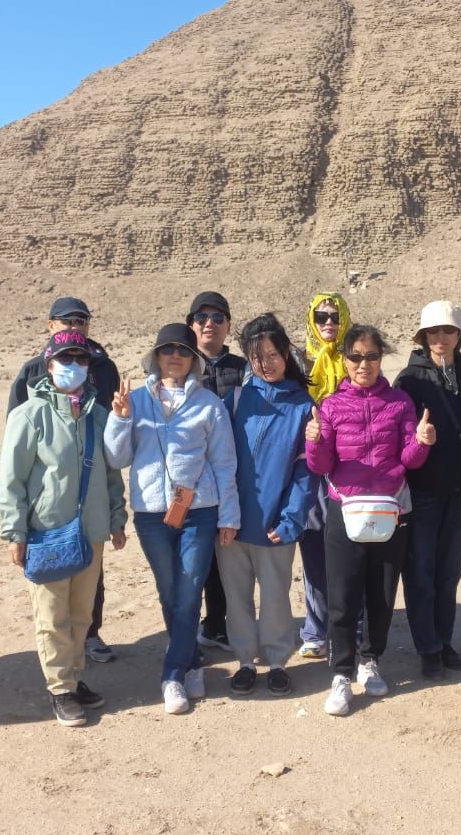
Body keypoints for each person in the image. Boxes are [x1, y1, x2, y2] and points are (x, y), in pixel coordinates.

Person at [105, 323, 240, 716]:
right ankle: (192, 661)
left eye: (183, 350)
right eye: (168, 350)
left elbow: (224, 463)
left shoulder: (209, 404)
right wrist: (120, 418)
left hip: (199, 510)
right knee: (169, 591)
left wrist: (229, 515)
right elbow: (116, 457)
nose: (175, 357)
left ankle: (173, 674)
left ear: (193, 359)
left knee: (190, 589)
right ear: (156, 356)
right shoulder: (134, 401)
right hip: (151, 513)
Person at [0, 330, 127, 727]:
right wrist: (15, 532)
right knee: (52, 614)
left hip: (91, 530)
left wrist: (117, 520)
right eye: (65, 358)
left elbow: (111, 475)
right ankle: (60, 689)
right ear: (49, 365)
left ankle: (73, 677)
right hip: (47, 531)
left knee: (81, 614)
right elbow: (12, 480)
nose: (73, 366)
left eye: (81, 359)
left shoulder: (98, 415)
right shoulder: (29, 416)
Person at [306, 325, 433, 715]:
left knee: (381, 594)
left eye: (372, 356)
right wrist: (314, 440)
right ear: (344, 359)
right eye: (356, 357)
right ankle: (341, 675)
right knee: (342, 597)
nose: (364, 364)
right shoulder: (329, 406)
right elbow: (321, 466)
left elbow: (409, 461)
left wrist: (422, 442)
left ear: (381, 358)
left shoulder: (399, 402)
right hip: (345, 511)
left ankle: (370, 660)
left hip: (389, 510)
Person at [8, 295, 121, 664]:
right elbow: (17, 447)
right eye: (68, 320)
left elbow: (111, 447)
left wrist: (116, 516)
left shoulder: (103, 367)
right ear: (51, 325)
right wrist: (16, 527)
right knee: (53, 593)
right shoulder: (32, 372)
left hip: (91, 499)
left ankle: (89, 638)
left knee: (88, 581)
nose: (76, 327)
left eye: (82, 321)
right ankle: (62, 681)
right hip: (49, 510)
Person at [217, 314, 316, 695]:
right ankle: (245, 661)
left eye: (273, 354)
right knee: (236, 596)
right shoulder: (236, 399)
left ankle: (277, 661)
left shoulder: (303, 406)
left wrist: (291, 520)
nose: (266, 364)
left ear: (286, 353)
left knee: (275, 596)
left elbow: (305, 472)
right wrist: (223, 514)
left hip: (275, 524)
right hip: (231, 523)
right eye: (257, 357)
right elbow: (217, 460)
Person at [396, 301, 461, 679]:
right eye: (433, 331)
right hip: (423, 492)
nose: (440, 337)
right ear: (423, 337)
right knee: (420, 571)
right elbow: (398, 436)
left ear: (459, 335)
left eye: (448, 330)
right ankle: (428, 648)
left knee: (449, 570)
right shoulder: (409, 381)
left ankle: (445, 640)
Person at [187, 291, 248, 654]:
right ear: (191, 324)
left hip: (230, 476)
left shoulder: (243, 369)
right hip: (188, 481)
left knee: (226, 554)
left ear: (228, 325)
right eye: (201, 317)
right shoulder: (178, 364)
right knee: (192, 559)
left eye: (217, 318)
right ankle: (187, 631)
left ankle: (217, 624)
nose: (209, 324)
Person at [296, 291, 353, 660]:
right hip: (309, 470)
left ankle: (351, 624)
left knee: (351, 549)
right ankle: (316, 629)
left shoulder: (355, 357)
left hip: (349, 469)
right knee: (314, 549)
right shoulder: (299, 363)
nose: (328, 323)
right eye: (321, 317)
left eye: (335, 316)